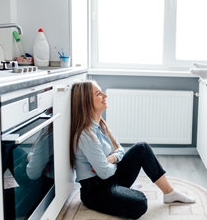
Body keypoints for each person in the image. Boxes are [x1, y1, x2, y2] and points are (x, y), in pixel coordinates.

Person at [70, 80, 195, 219]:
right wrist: (112, 163)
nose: (105, 95)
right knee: (140, 203)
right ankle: (122, 191)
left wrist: (112, 158)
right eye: (98, 94)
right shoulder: (86, 135)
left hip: (110, 177)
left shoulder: (101, 125)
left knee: (142, 148)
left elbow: (120, 150)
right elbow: (104, 173)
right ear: (86, 102)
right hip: (95, 190)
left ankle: (169, 192)